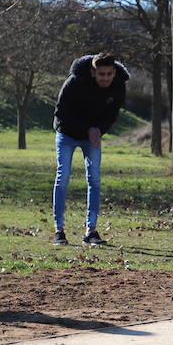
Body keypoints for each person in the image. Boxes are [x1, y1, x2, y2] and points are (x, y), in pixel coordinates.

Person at [51, 52, 128, 247]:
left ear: (114, 72)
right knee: (63, 177)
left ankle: (91, 231)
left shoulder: (119, 85)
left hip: (92, 137)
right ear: (93, 72)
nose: (106, 78)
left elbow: (112, 115)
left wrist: (99, 130)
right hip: (67, 133)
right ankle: (59, 230)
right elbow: (61, 112)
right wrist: (87, 129)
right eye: (101, 74)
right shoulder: (75, 81)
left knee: (94, 179)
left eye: (109, 74)